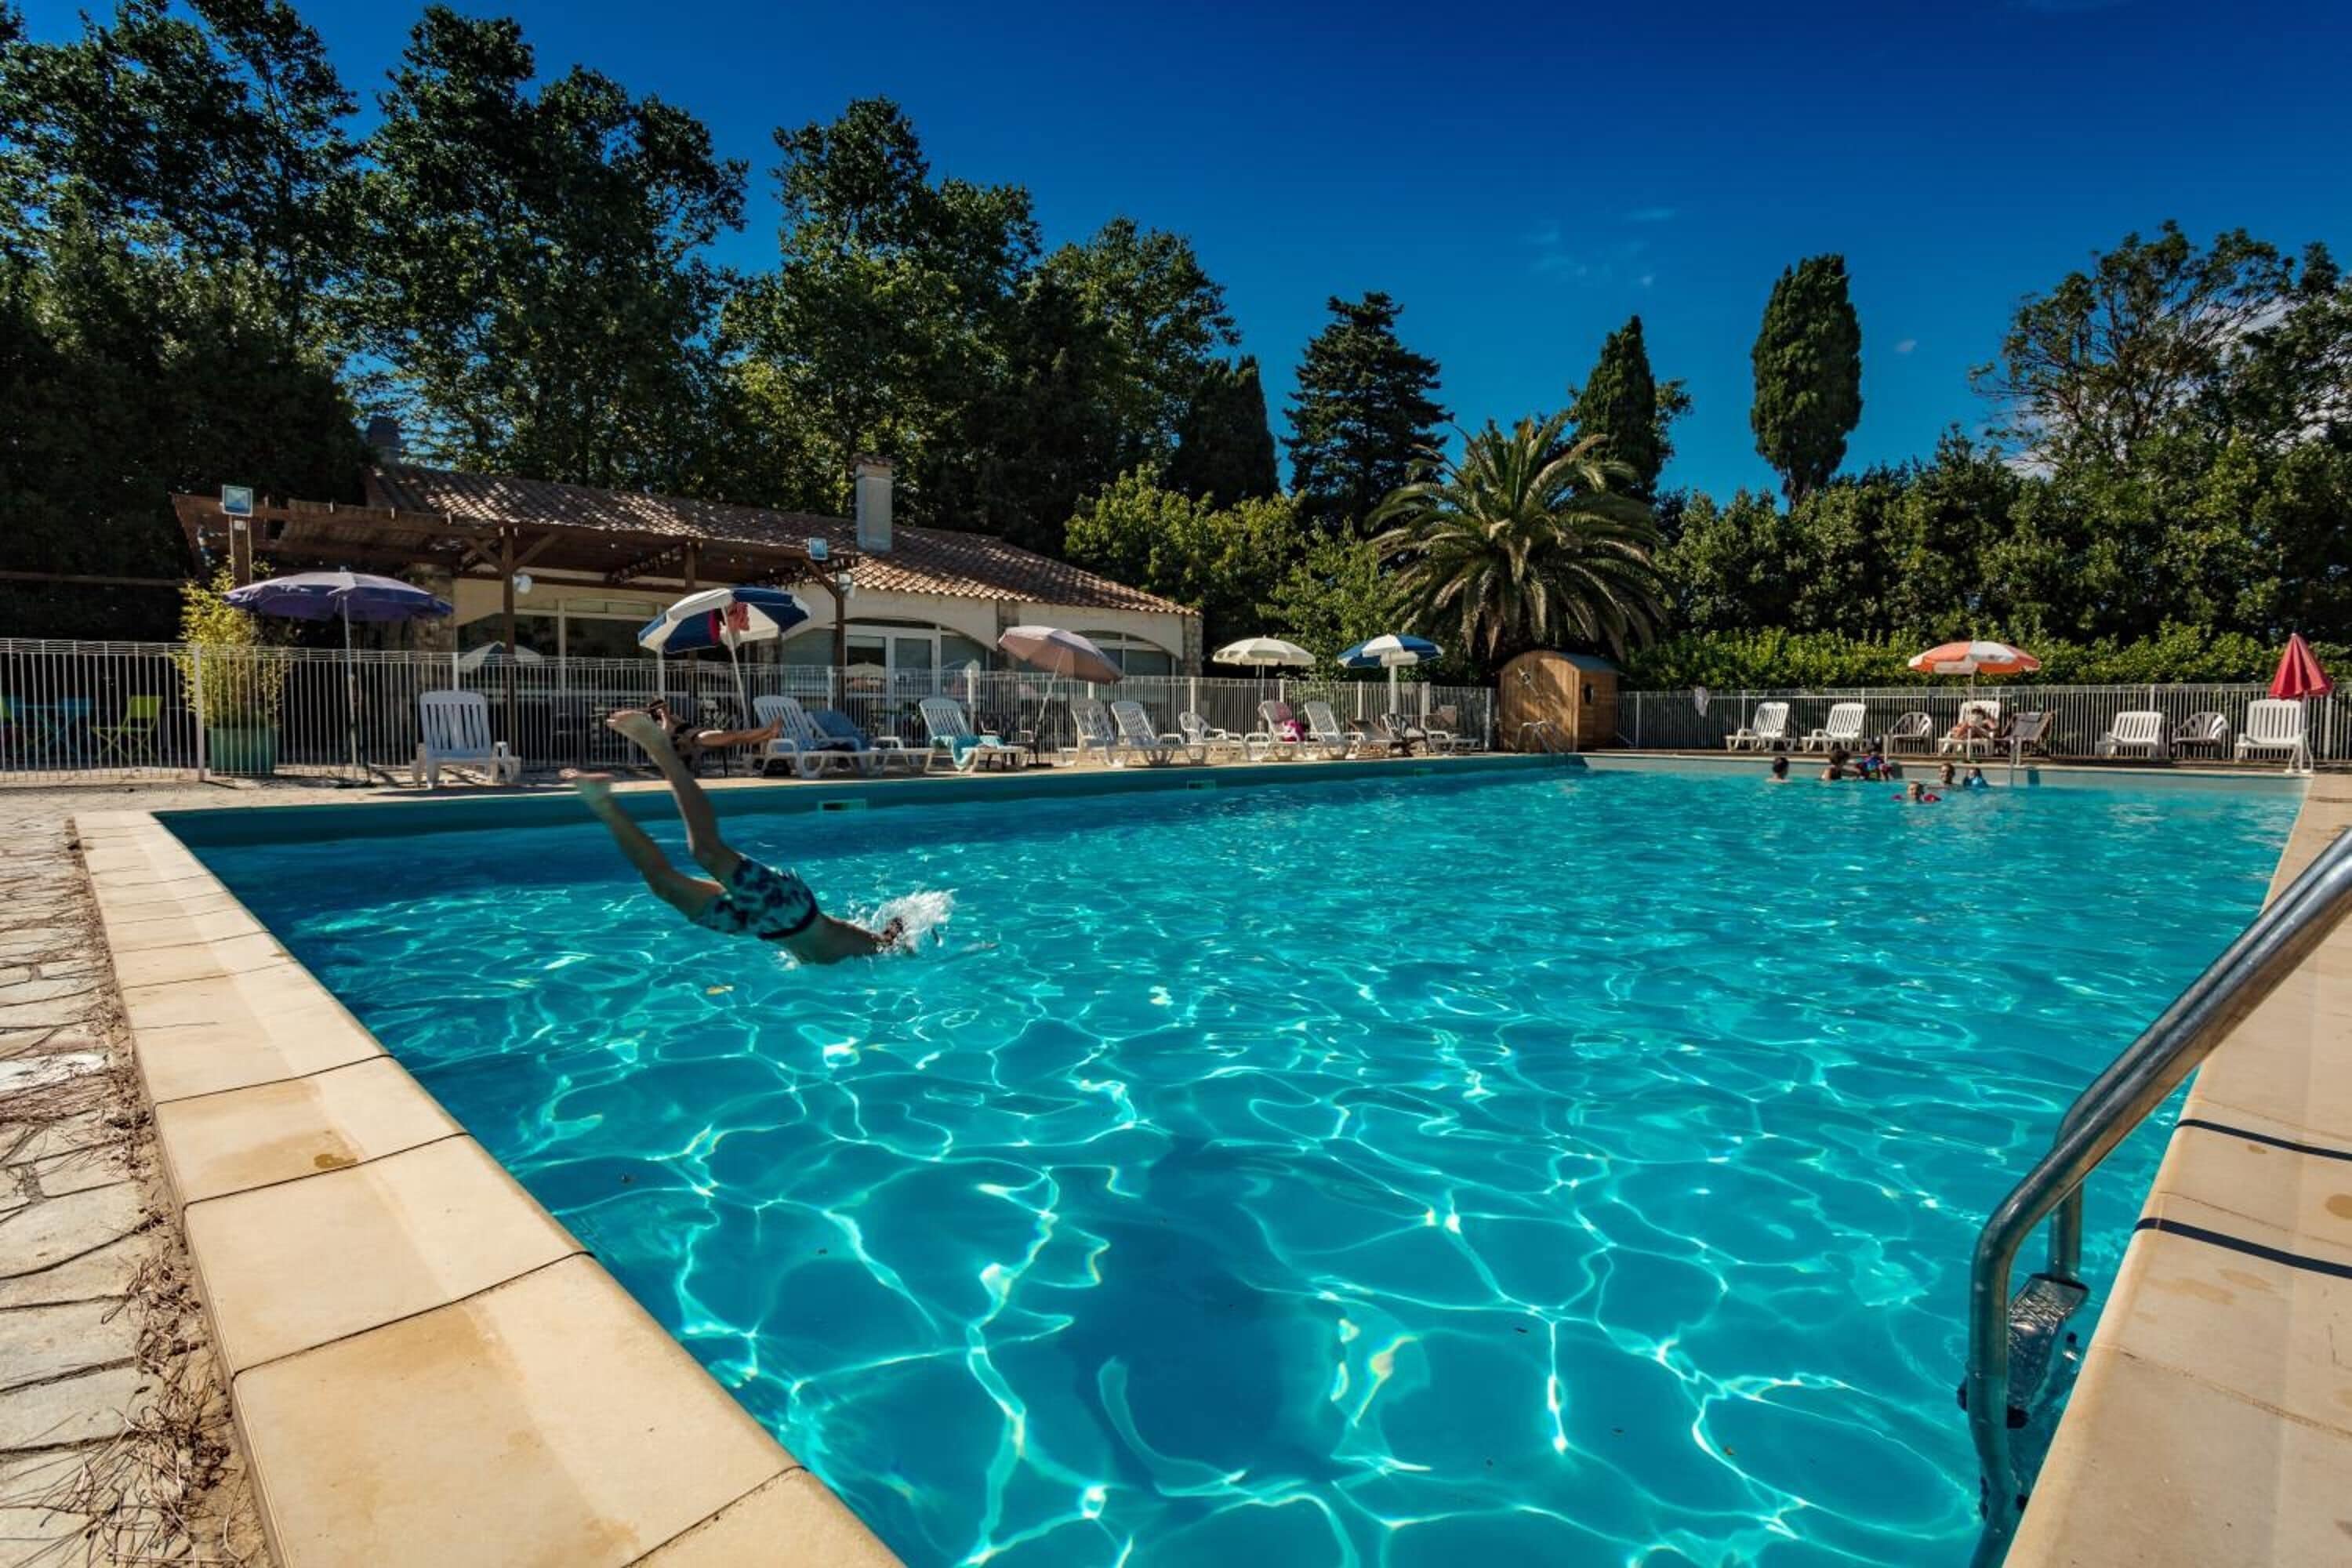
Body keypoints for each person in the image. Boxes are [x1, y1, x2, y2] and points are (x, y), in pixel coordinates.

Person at [571, 710, 903, 963]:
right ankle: (663, 750)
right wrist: (899, 931)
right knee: (706, 852)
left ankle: (601, 801)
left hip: (762, 928)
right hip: (789, 911)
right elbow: (892, 939)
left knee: (663, 884)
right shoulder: (884, 950)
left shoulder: (872, 947)